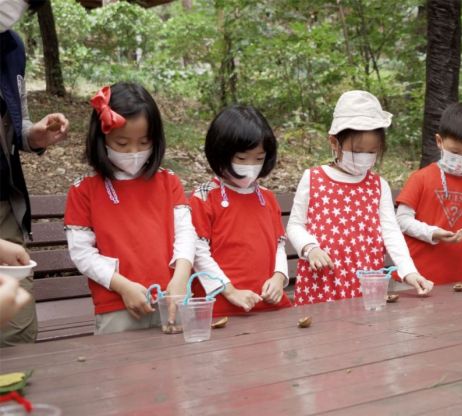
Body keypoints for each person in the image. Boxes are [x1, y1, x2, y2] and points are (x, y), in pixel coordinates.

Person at [64, 83, 196, 334]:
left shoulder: (169, 182)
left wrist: (180, 276)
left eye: (144, 142)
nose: (134, 153)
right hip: (116, 305)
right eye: (122, 143)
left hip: (172, 299)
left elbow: (185, 233)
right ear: (101, 138)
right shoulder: (84, 190)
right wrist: (122, 286)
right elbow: (82, 253)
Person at [286, 90, 433, 305]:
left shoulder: (378, 185)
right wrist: (310, 248)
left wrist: (408, 272)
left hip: (366, 286)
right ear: (334, 143)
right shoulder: (313, 178)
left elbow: (391, 232)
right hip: (322, 283)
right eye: (358, 150)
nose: (365, 157)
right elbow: (295, 225)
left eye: (372, 151)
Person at [1, 0, 70, 346]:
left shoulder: (13, 47)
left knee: (17, 335)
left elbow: (17, 121)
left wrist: (34, 135)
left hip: (6, 209)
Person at [189, 105, 292, 316]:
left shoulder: (267, 197)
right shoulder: (205, 196)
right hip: (221, 307)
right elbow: (198, 252)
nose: (251, 166)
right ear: (221, 153)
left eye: (259, 159)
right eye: (242, 159)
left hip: (269, 306)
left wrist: (279, 277)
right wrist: (230, 290)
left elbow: (278, 245)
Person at [395, 103, 462, 284]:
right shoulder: (421, 179)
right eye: (455, 152)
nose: (461, 159)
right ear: (439, 141)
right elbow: (402, 220)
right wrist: (432, 232)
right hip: (418, 279)